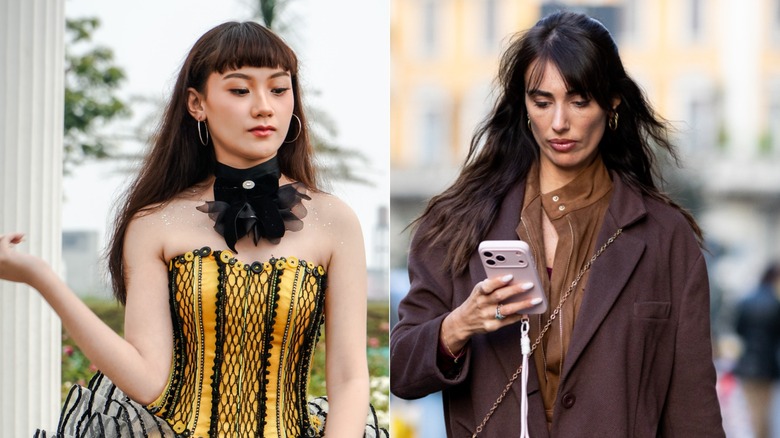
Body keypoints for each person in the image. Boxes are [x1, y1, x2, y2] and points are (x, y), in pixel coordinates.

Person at [0, 21, 381, 437]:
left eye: (278, 88)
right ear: (197, 103)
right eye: (240, 90)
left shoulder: (335, 220)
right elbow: (148, 380)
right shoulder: (154, 223)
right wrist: (42, 279)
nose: (264, 107)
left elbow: (349, 379)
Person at [390, 11, 725, 437]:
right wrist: (460, 324)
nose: (559, 123)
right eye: (542, 102)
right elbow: (400, 370)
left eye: (579, 100)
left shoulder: (665, 237)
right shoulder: (457, 224)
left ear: (612, 102)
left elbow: (693, 409)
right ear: (523, 105)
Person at [733, 262, 780, 438]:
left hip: (748, 362)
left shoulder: (746, 300)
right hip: (768, 364)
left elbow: (738, 329)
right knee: (764, 411)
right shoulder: (775, 303)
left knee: (752, 410)